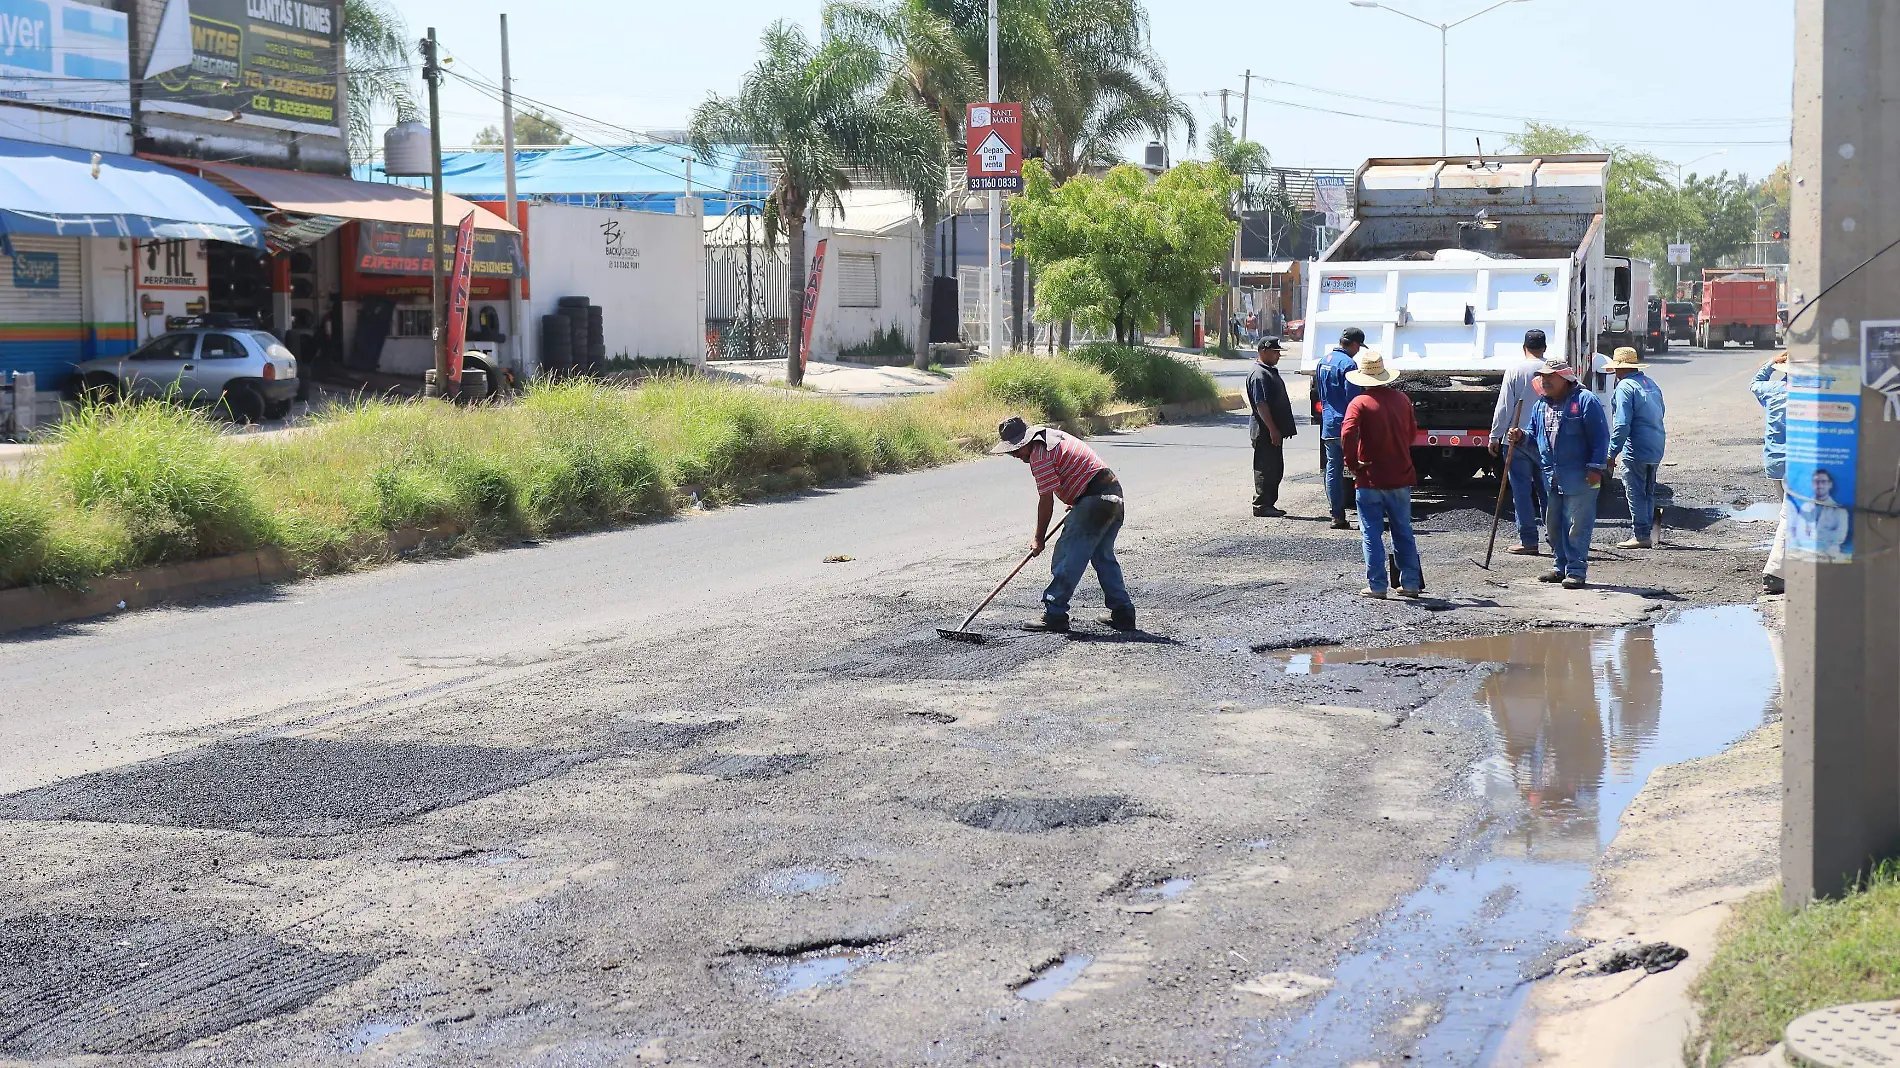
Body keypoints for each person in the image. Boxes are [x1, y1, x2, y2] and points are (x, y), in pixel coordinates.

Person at [991, 416, 1135, 634]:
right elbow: (1080, 469)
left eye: (1017, 449)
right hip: (1111, 494)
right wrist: (1079, 499)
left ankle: (1055, 613)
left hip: (1094, 499)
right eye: (1012, 452)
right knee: (1102, 556)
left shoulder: (1040, 454)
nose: (1017, 455)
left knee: (1067, 556)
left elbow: (1046, 501)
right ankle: (1123, 613)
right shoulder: (1053, 437)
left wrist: (1039, 539)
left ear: (1027, 440)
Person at [1512, 359, 1609, 589]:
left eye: (1550, 377)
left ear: (1565, 379)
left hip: (1581, 476)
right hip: (1552, 477)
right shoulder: (1540, 406)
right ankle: (1560, 567)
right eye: (1542, 377)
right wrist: (1520, 437)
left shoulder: (1585, 401)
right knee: (1554, 525)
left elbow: (1600, 437)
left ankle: (1576, 571)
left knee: (1577, 525)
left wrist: (1596, 468)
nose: (1544, 381)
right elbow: (1534, 438)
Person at [1340, 350, 1423, 599]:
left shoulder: (1360, 403)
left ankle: (1377, 586)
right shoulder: (1402, 400)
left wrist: (1353, 463)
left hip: (1370, 478)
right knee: (1403, 530)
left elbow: (1347, 434)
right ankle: (1409, 583)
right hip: (1400, 475)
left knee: (1371, 533)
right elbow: (1411, 435)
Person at [1489, 329, 1550, 555]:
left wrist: (1495, 435)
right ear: (1544, 348)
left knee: (1521, 492)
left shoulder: (1515, 370)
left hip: (1516, 438)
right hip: (1546, 438)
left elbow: (1505, 405)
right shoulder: (1551, 369)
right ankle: (1554, 538)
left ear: (1524, 348)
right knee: (1548, 491)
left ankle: (1528, 541)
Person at [1605, 346, 1668, 549]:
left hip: (1637, 448)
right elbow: (1662, 411)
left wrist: (1611, 452)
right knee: (1648, 490)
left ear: (1620, 369)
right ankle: (1647, 533)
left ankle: (1641, 535)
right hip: (1656, 444)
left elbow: (1622, 424)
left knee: (1635, 491)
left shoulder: (1624, 387)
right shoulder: (1650, 383)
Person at [1316, 327, 1367, 529]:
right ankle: (1368, 515)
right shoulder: (1349, 365)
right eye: (1358, 347)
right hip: (1347, 425)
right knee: (1360, 467)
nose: (1358, 351)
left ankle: (1337, 516)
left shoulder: (1323, 361)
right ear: (1354, 344)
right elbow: (1353, 400)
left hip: (1329, 424)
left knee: (1332, 470)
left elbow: (1321, 393)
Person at [1247, 337, 1298, 517]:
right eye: (1275, 352)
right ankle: (1261, 505)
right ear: (1264, 351)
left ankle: (1269, 503)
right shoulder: (1259, 374)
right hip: (1264, 431)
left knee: (1275, 468)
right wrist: (1273, 429)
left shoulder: (1268, 371)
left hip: (1271, 430)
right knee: (1266, 468)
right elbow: (1261, 405)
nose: (1278, 356)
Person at [1752, 353, 1790, 594]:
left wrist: (1770, 364)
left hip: (1775, 462)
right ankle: (1775, 571)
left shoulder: (1772, 390)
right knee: (1791, 516)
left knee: (1789, 514)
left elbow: (1755, 383)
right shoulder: (1812, 395)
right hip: (1800, 464)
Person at [1792, 467, 1852, 560]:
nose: (1820, 485)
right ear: (1812, 484)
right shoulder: (1805, 508)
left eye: (1823, 482)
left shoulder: (1840, 510)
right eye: (1817, 482)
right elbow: (1799, 533)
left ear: (1830, 484)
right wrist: (1828, 534)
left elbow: (1840, 537)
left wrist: (1814, 534)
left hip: (1831, 556)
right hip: (1807, 555)